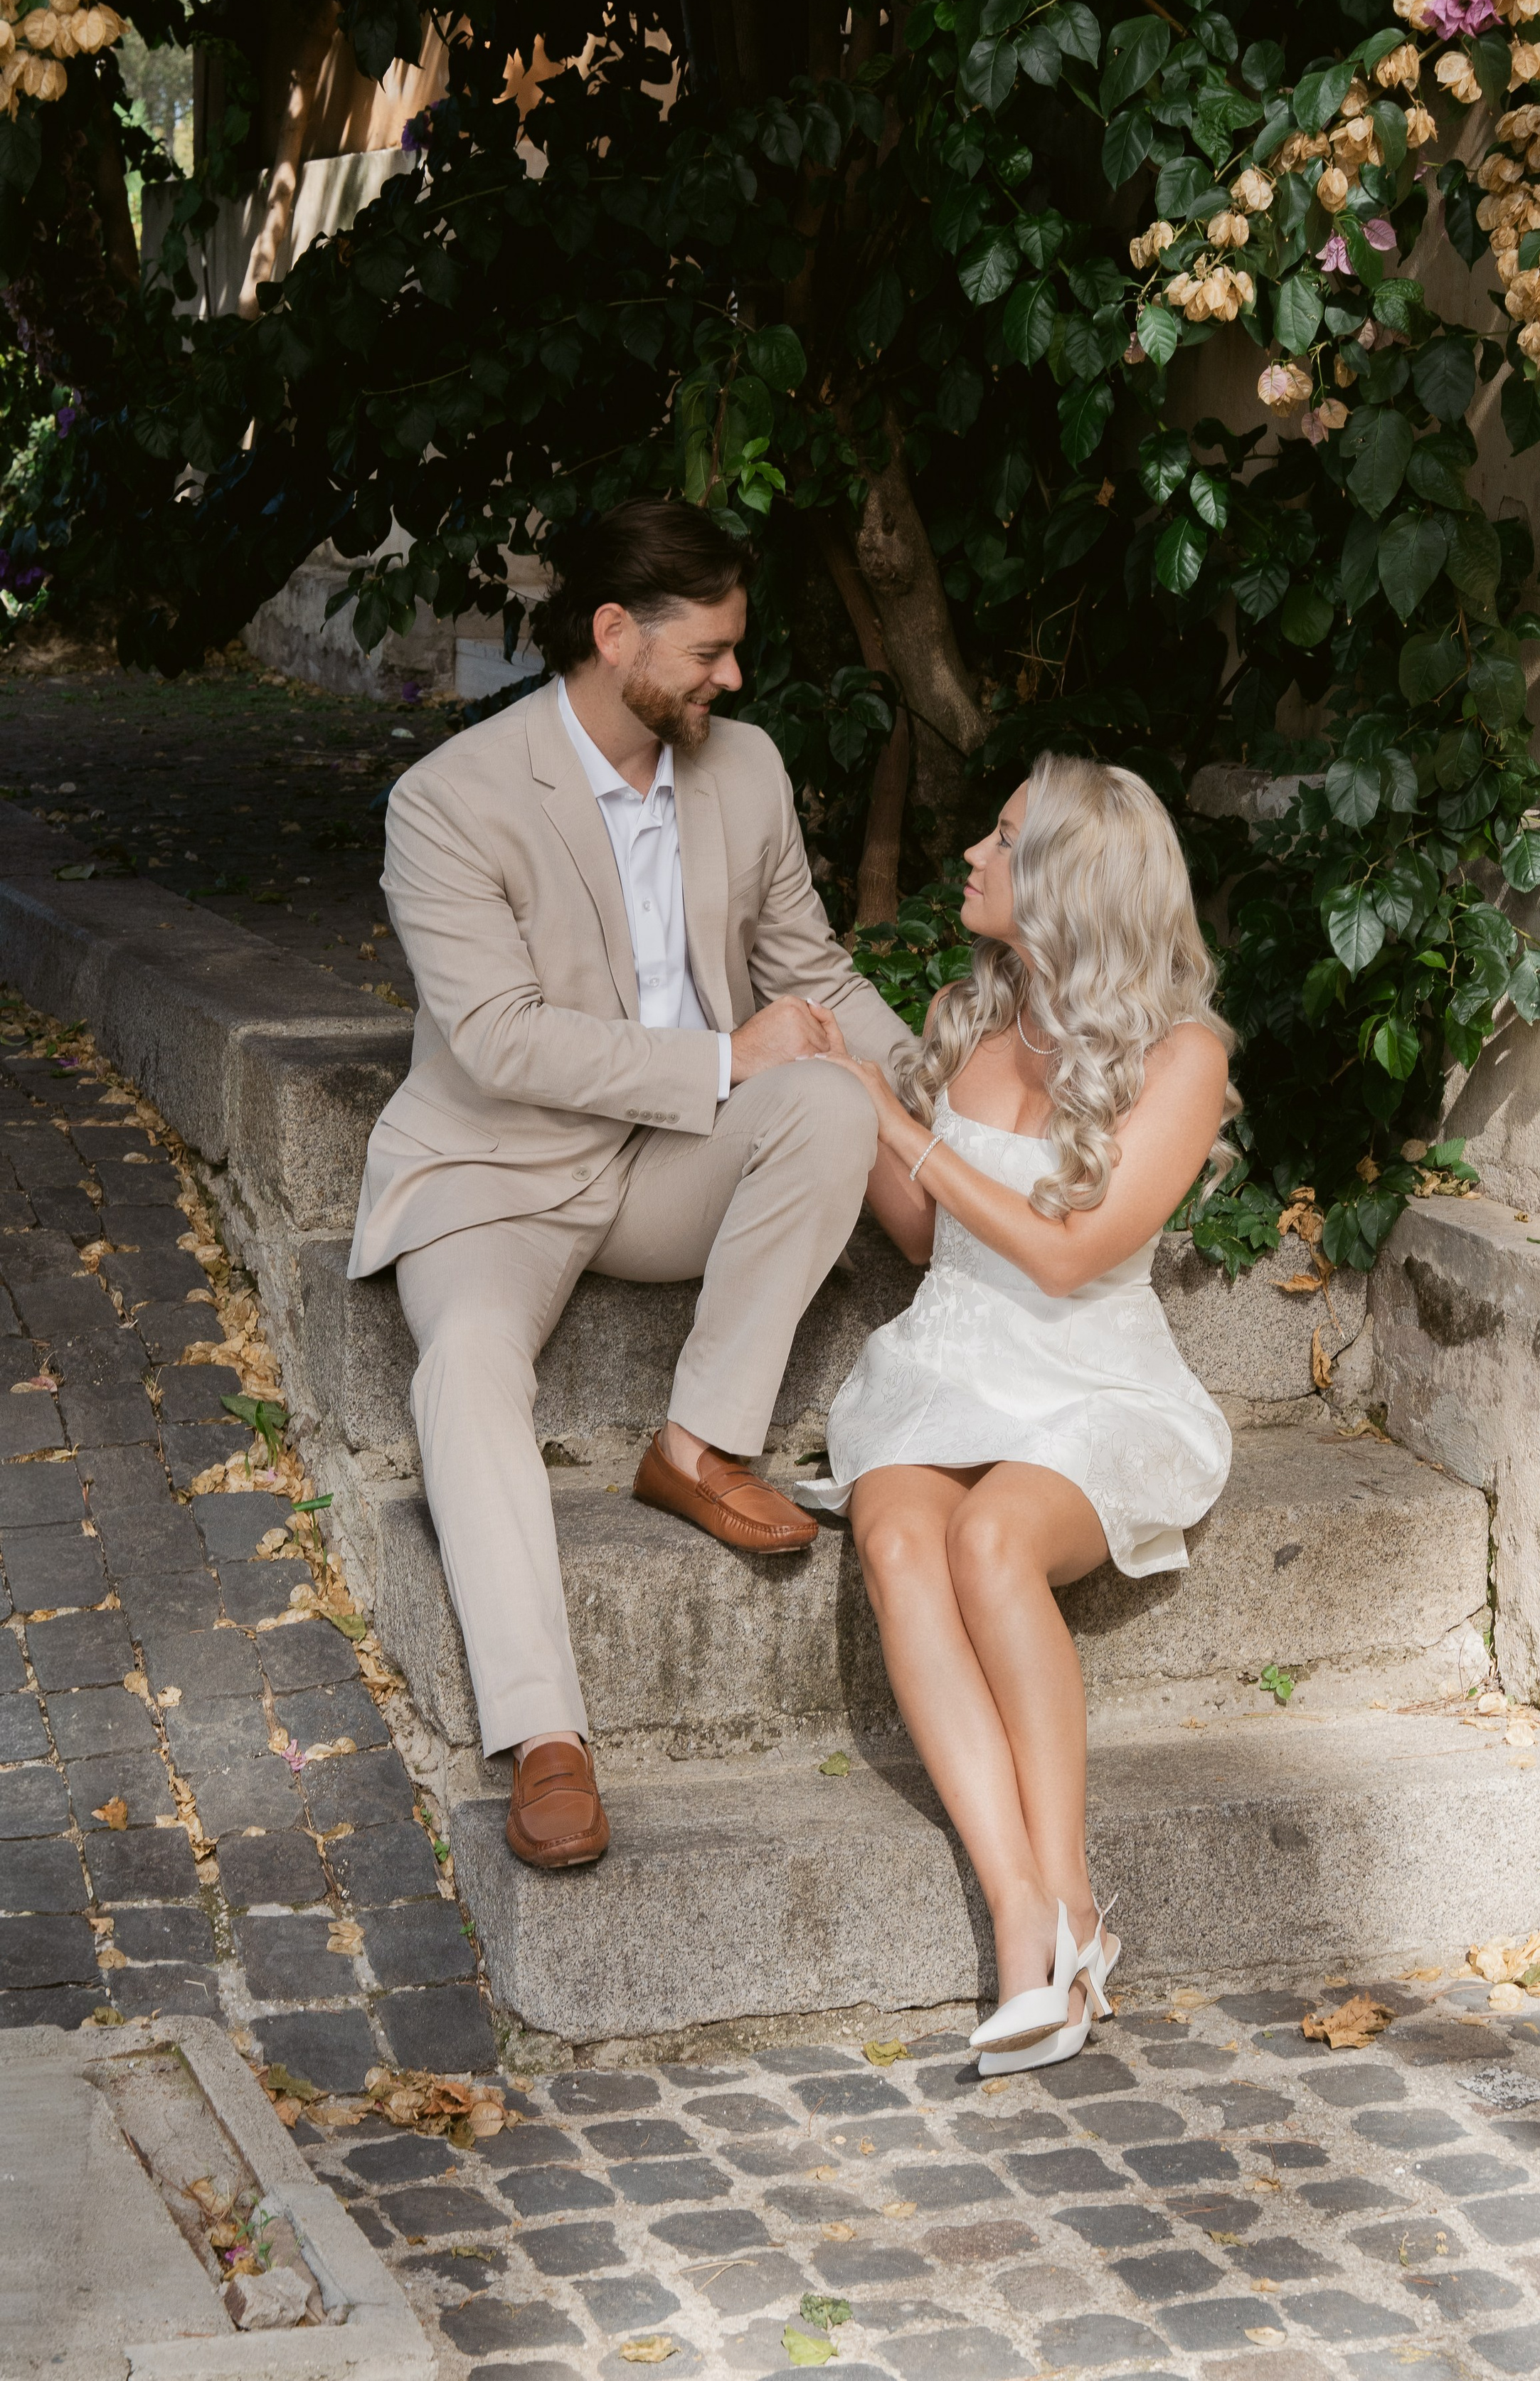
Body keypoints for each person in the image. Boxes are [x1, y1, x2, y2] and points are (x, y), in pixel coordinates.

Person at [348, 497, 914, 1872]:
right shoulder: (451, 801)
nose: (735, 676)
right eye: (710, 650)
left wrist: (949, 1101)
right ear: (615, 634)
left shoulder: (747, 769)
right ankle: (544, 1734)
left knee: (831, 1101)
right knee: (468, 1365)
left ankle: (698, 1444)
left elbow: (814, 977)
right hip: (497, 1169)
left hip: (672, 1164)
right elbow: (502, 1039)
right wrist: (725, 1056)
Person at [795, 753, 1237, 2072]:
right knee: (896, 1538)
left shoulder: (1184, 1055)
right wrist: (840, 1101)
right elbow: (926, 1234)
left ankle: (1075, 1903)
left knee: (990, 1541)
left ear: (1067, 882)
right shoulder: (969, 1020)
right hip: (948, 1362)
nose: (975, 856)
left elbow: (1064, 1254)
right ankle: (1018, 1923)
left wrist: (898, 1122)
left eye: (1002, 839)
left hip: (1094, 1377)